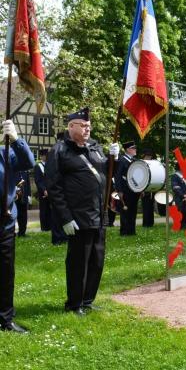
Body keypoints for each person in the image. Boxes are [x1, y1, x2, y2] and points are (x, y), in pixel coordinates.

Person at [45, 107, 119, 315]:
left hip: (98, 213)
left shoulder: (95, 148)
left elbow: (107, 172)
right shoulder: (59, 151)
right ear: (71, 127)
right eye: (83, 125)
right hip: (78, 216)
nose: (87, 129)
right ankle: (74, 303)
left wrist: (115, 158)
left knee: (97, 259)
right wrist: (65, 218)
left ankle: (88, 300)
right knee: (78, 262)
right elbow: (54, 188)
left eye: (89, 126)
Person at [0, 119, 35, 333]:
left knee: (5, 272)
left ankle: (5, 319)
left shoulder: (6, 152)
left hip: (4, 220)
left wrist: (16, 140)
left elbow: (28, 162)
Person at [34, 149, 68, 245]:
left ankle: (50, 226)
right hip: (43, 192)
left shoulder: (49, 165)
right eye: (43, 155)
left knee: (52, 210)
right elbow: (38, 180)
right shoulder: (38, 166)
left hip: (51, 191)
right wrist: (44, 189)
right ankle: (44, 226)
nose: (44, 157)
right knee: (44, 210)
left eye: (46, 155)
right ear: (41, 156)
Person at [115, 141, 140, 236]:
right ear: (128, 149)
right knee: (125, 211)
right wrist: (119, 190)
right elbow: (117, 176)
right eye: (133, 148)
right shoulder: (122, 160)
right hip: (125, 190)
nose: (135, 150)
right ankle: (124, 232)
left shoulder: (134, 160)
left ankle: (131, 231)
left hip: (134, 190)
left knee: (133, 211)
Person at [171, 162, 186, 230]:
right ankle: (180, 227)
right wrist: (182, 195)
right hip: (179, 198)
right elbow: (175, 187)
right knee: (180, 212)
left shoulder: (185, 176)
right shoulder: (175, 176)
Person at [141, 147, 155, 228]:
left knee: (151, 206)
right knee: (146, 207)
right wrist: (141, 190)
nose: (149, 157)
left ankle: (151, 222)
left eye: (150, 156)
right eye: (148, 156)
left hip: (152, 187)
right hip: (144, 188)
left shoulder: (152, 163)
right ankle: (146, 223)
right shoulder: (141, 163)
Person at [15, 170, 31, 237]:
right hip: (15, 197)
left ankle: (22, 232)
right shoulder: (13, 170)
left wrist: (29, 196)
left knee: (24, 215)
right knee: (15, 215)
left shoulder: (25, 171)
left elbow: (28, 184)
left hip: (24, 197)